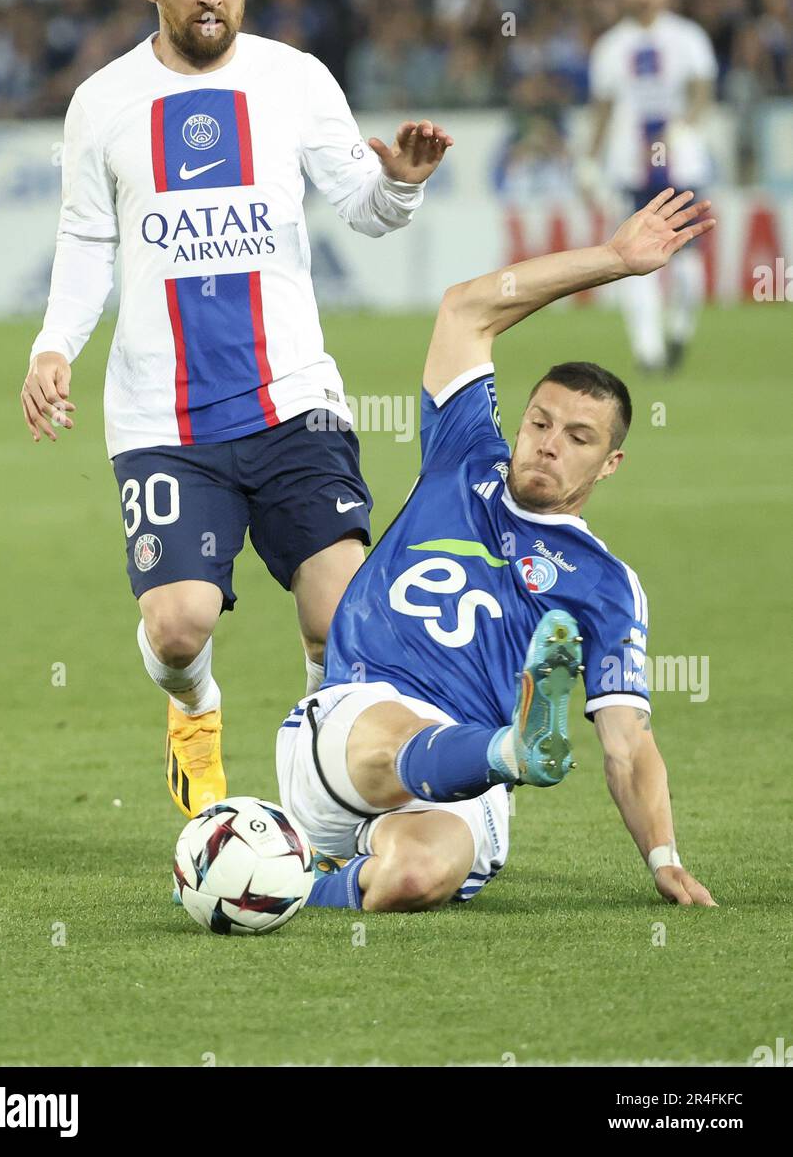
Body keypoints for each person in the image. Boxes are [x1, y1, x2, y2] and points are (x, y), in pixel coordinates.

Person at [20, 0, 452, 817]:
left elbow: (365, 210)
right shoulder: (103, 103)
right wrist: (55, 345)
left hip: (292, 399)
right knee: (179, 629)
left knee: (340, 621)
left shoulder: (295, 80)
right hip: (162, 417)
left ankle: (317, 787)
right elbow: (88, 241)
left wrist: (402, 185)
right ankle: (194, 711)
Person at [277, 187, 718, 913]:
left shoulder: (607, 585)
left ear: (610, 464)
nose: (549, 442)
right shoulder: (462, 453)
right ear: (518, 422)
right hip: (353, 719)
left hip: (460, 788)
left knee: (415, 877)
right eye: (540, 421)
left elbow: (627, 743)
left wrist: (663, 856)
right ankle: (510, 751)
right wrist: (612, 260)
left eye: (578, 438)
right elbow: (464, 309)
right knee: (394, 735)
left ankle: (276, 888)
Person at [582, 0, 717, 371]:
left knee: (687, 253)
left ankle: (679, 327)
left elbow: (702, 91)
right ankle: (648, 349)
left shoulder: (687, 36)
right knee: (630, 251)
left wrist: (683, 128)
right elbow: (602, 109)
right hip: (631, 163)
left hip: (681, 161)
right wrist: (589, 159)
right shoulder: (609, 46)